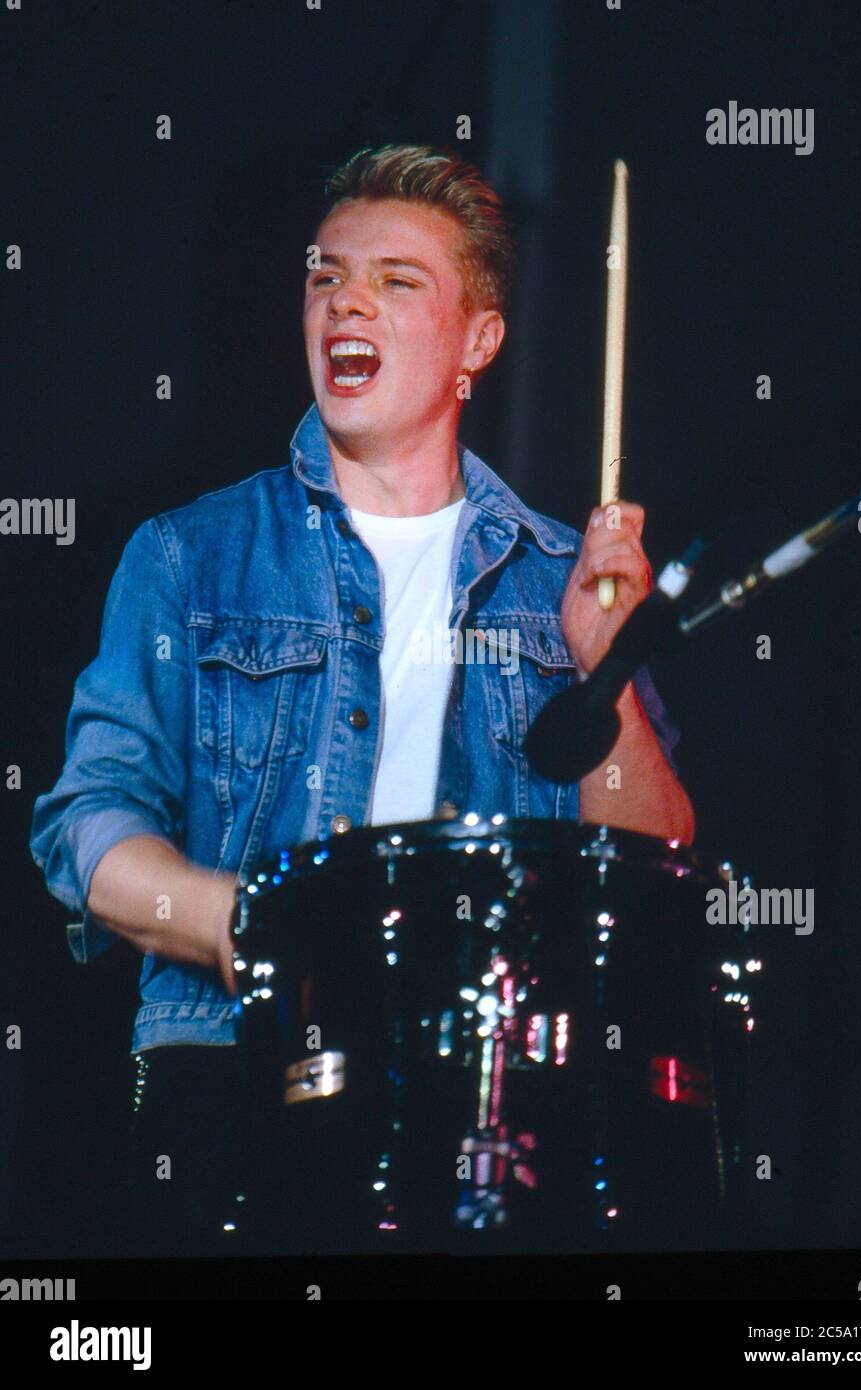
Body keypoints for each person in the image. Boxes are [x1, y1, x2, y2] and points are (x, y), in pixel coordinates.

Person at [30, 143, 694, 1253]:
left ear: (477, 342)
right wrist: (255, 929)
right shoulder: (190, 557)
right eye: (324, 274)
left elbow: (653, 862)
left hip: (487, 1108)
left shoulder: (556, 583)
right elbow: (85, 829)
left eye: (397, 280)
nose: (346, 300)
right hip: (230, 1080)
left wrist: (600, 669)